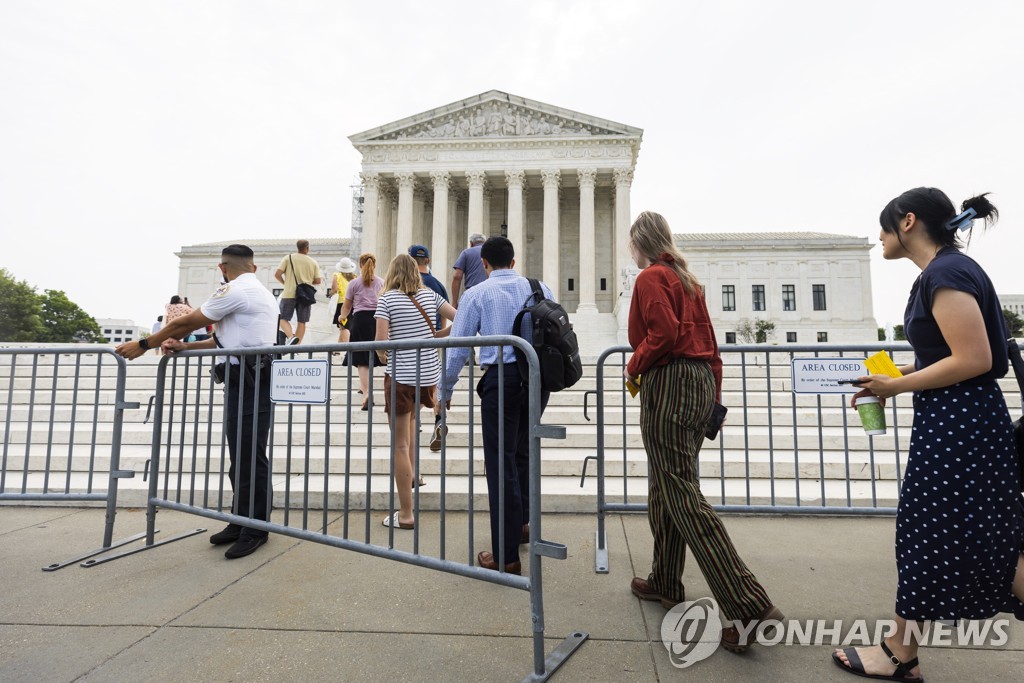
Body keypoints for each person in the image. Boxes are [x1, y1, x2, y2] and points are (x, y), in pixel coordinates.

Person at [832, 188, 1024, 681]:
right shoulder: (946, 272)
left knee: (934, 535)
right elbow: (951, 353)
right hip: (962, 422)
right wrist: (896, 372)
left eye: (884, 226)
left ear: (908, 221)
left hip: (960, 427)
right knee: (980, 539)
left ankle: (899, 652)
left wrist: (895, 386)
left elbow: (976, 360)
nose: (879, 237)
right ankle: (901, 649)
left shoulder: (945, 273)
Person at [622, 211, 782, 653]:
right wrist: (712, 398)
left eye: (632, 244)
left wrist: (632, 366)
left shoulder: (653, 277)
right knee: (667, 485)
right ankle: (665, 580)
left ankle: (747, 602)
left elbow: (663, 334)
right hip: (697, 382)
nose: (629, 252)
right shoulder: (688, 281)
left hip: (670, 382)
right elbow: (711, 349)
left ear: (642, 242)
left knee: (680, 491)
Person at [115, 244, 278, 560]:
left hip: (250, 381)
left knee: (249, 456)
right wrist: (187, 348)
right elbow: (223, 339)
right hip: (246, 378)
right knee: (242, 454)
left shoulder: (234, 290)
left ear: (222, 268)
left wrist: (145, 343)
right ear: (255, 267)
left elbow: (187, 322)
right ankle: (241, 520)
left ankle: (256, 529)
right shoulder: (255, 290)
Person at [440, 236, 552, 575]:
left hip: (500, 380)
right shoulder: (540, 288)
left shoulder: (477, 294)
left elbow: (459, 348)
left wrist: (445, 388)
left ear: (484, 265)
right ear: (514, 262)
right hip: (536, 379)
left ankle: (506, 557)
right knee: (522, 453)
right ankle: (522, 527)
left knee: (500, 464)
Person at [374, 254, 456, 530]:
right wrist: (433, 338)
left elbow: (380, 342)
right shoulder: (430, 295)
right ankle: (413, 477)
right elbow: (460, 319)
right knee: (410, 430)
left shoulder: (387, 299)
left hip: (401, 377)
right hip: (427, 376)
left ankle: (406, 513)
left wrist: (385, 356)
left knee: (400, 444)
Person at [409, 243, 451, 451]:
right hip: (432, 342)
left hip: (408, 344)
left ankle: (414, 425)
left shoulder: (404, 285)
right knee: (433, 384)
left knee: (411, 385)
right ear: (428, 261)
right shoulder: (437, 285)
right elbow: (445, 315)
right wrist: (438, 335)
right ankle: (439, 419)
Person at [338, 253, 384, 410]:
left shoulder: (353, 283)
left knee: (362, 360)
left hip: (359, 321)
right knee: (375, 356)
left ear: (360, 264)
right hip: (377, 320)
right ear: (375, 265)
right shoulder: (381, 283)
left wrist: (341, 317)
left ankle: (367, 393)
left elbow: (347, 306)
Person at [274, 239, 323, 345]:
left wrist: (286, 283)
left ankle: (291, 337)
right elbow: (318, 280)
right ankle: (297, 346)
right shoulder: (313, 262)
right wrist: (308, 280)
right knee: (302, 321)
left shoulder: (288, 258)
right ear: (307, 248)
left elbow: (277, 274)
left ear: (297, 247)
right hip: (305, 296)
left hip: (289, 293)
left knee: (283, 319)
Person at [450, 233, 487, 307]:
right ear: (485, 243)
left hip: (471, 294)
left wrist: (454, 302)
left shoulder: (466, 253)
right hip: (489, 293)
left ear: (471, 243)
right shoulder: (491, 252)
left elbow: (457, 277)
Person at [330, 257, 358, 347]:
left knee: (343, 327)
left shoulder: (336, 276)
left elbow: (334, 289)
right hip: (353, 304)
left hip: (342, 303)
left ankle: (349, 348)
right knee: (345, 325)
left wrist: (330, 294)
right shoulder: (355, 277)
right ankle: (338, 350)